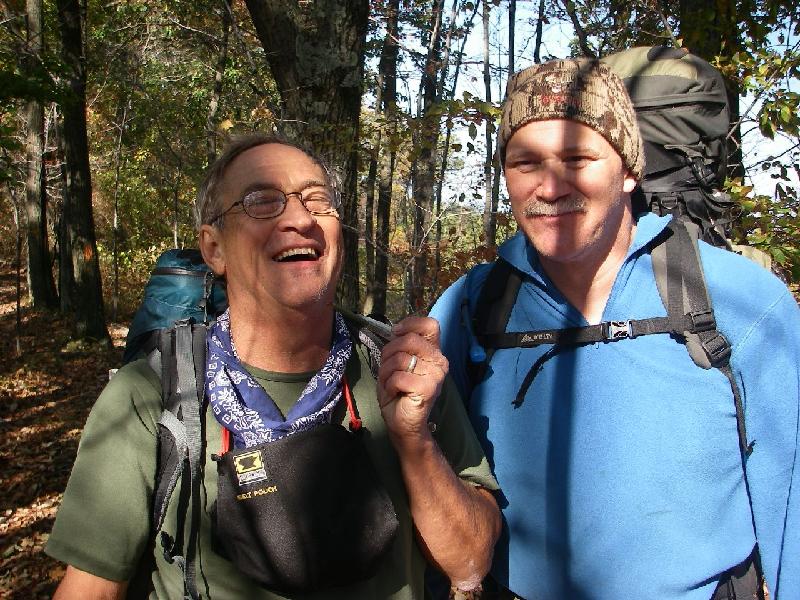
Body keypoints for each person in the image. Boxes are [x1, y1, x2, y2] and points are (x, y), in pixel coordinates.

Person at [47, 133, 501, 599]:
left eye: (317, 200)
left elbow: (471, 561)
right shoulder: (152, 392)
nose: (301, 219)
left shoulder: (399, 370)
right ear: (214, 249)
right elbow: (92, 588)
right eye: (262, 201)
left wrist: (414, 440)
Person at [430, 59, 800, 599]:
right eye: (524, 162)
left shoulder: (738, 302)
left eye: (578, 158)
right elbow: (429, 483)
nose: (549, 187)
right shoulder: (472, 308)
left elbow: (791, 506)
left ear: (629, 170)